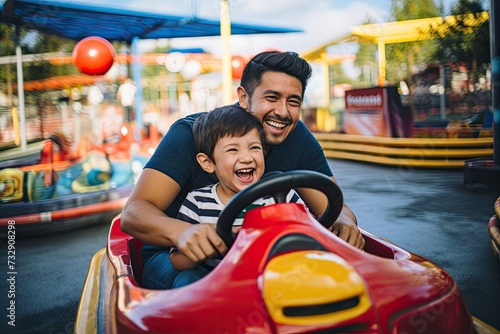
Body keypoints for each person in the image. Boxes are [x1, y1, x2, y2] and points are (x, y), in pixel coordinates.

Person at [121, 50, 365, 290]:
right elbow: (133, 212)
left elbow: (333, 207)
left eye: (293, 102)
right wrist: (183, 233)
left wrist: (345, 223)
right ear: (243, 97)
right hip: (179, 260)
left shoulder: (297, 136)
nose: (283, 112)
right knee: (199, 282)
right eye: (272, 97)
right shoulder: (190, 134)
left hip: (261, 256)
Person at [169, 105, 302, 288]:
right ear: (207, 163)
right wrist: (206, 248)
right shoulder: (198, 202)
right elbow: (176, 260)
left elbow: (309, 233)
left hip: (276, 278)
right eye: (233, 150)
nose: (247, 158)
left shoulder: (282, 195)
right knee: (187, 279)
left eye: (254, 148)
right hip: (218, 285)